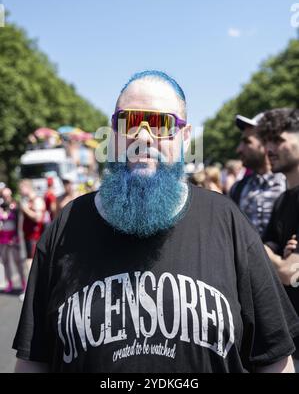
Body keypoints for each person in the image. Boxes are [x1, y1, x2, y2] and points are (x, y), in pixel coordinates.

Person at [13, 71, 299, 373]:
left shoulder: (228, 222)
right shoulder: (65, 226)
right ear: (113, 134)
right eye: (129, 122)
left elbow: (274, 361)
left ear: (185, 138)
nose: (144, 137)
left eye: (162, 124)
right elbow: (33, 362)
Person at [256, 108, 299, 371]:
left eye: (279, 140)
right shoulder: (283, 200)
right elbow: (266, 255)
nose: (270, 148)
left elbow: (288, 272)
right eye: (267, 141)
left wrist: (250, 241)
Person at [230, 113, 286, 236]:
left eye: (247, 142)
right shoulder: (237, 189)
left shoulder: (288, 186)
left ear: (267, 144)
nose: (239, 149)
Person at [0, 188, 26, 293]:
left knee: (18, 261)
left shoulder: (15, 206)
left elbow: (19, 221)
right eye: (3, 195)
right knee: (5, 261)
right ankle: (9, 282)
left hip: (14, 237)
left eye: (7, 195)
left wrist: (16, 237)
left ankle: (23, 284)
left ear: (10, 195)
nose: (6, 197)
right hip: (2, 237)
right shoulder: (1, 206)